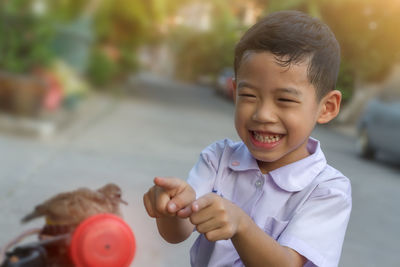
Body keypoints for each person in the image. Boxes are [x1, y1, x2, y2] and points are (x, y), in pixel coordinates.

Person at [143, 10, 352, 267]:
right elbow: (177, 233)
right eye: (249, 95)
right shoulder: (218, 159)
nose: (263, 114)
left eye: (285, 100)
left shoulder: (327, 190)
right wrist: (170, 208)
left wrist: (241, 224)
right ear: (234, 91)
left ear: (327, 107)